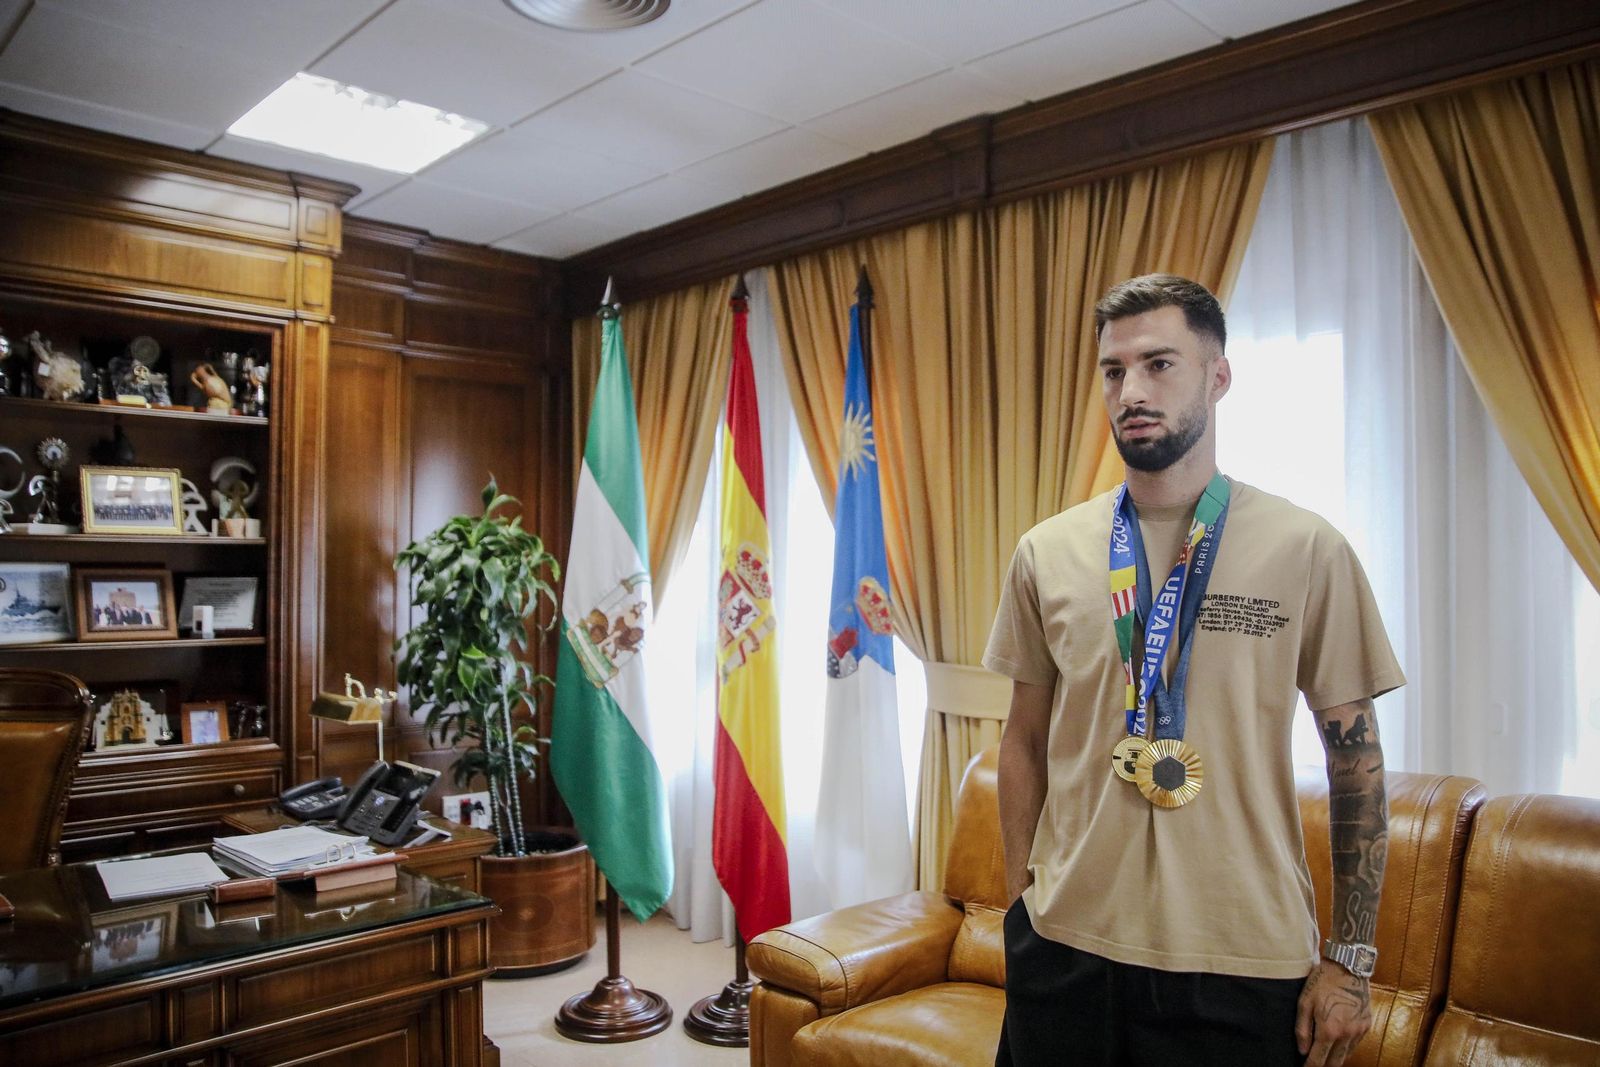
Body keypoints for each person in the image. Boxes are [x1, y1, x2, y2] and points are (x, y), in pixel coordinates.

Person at [984, 275, 1401, 1067]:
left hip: (1239, 963)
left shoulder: (1306, 547)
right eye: (1114, 370)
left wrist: (1349, 959)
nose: (1132, 390)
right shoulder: (1047, 550)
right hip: (1066, 950)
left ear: (1219, 375)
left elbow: (1357, 762)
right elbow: (1023, 738)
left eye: (1159, 364)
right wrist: (1020, 905)